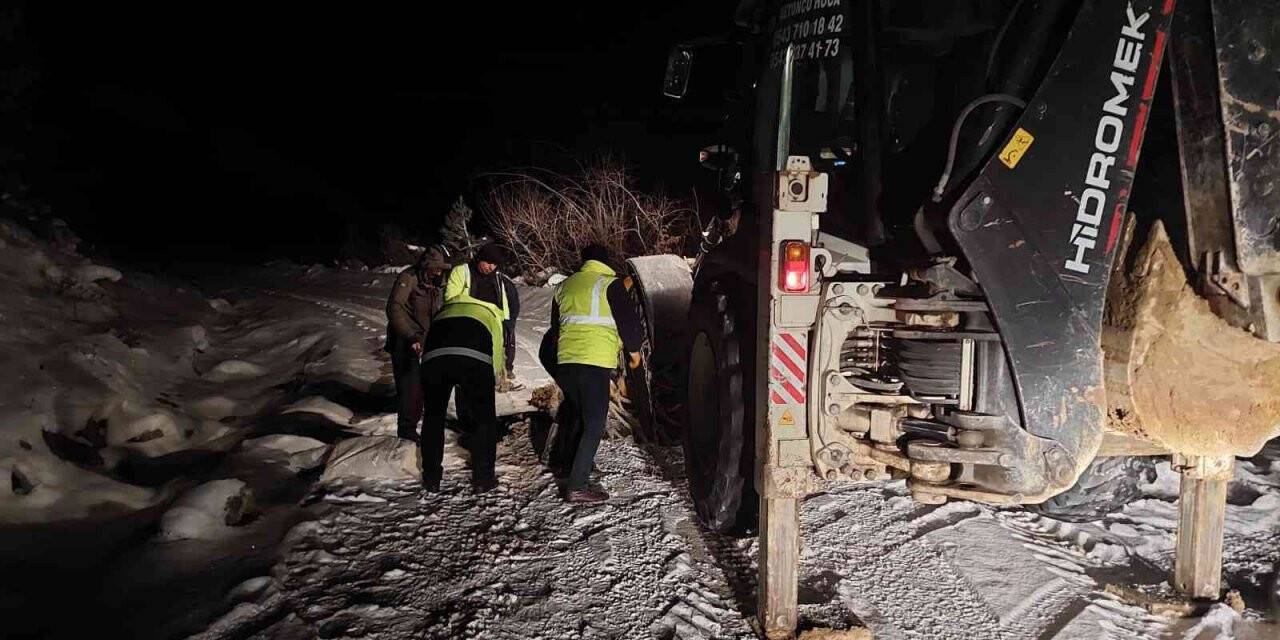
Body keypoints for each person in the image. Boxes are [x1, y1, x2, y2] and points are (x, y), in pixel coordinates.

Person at [548, 244, 643, 503]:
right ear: (605, 261)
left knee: (578, 415)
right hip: (594, 363)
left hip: (567, 363)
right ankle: (577, 485)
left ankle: (572, 467)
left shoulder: (564, 286)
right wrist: (634, 355)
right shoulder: (609, 284)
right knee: (594, 424)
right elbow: (629, 324)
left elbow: (556, 329)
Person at [419, 291, 506, 493]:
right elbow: (497, 352)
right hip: (474, 359)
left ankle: (431, 478)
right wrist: (489, 382)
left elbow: (429, 341)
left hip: (434, 359)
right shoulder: (490, 314)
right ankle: (483, 478)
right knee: (484, 419)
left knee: (433, 417)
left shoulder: (444, 311)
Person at [384, 246, 449, 442]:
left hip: (427, 342)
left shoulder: (439, 283)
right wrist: (410, 336)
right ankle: (406, 432)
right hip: (405, 341)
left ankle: (416, 427)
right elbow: (395, 308)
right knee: (409, 388)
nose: (438, 272)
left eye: (441, 269)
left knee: (422, 388)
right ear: (425, 266)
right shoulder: (409, 278)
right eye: (435, 268)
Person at [444, 242, 523, 390]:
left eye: (495, 264)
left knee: (495, 362)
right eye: (488, 262)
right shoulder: (462, 272)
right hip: (469, 326)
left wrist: (510, 322)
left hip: (494, 326)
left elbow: (513, 301)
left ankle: (497, 380)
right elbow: (451, 298)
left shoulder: (500, 279)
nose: (491, 267)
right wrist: (485, 307)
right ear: (480, 258)